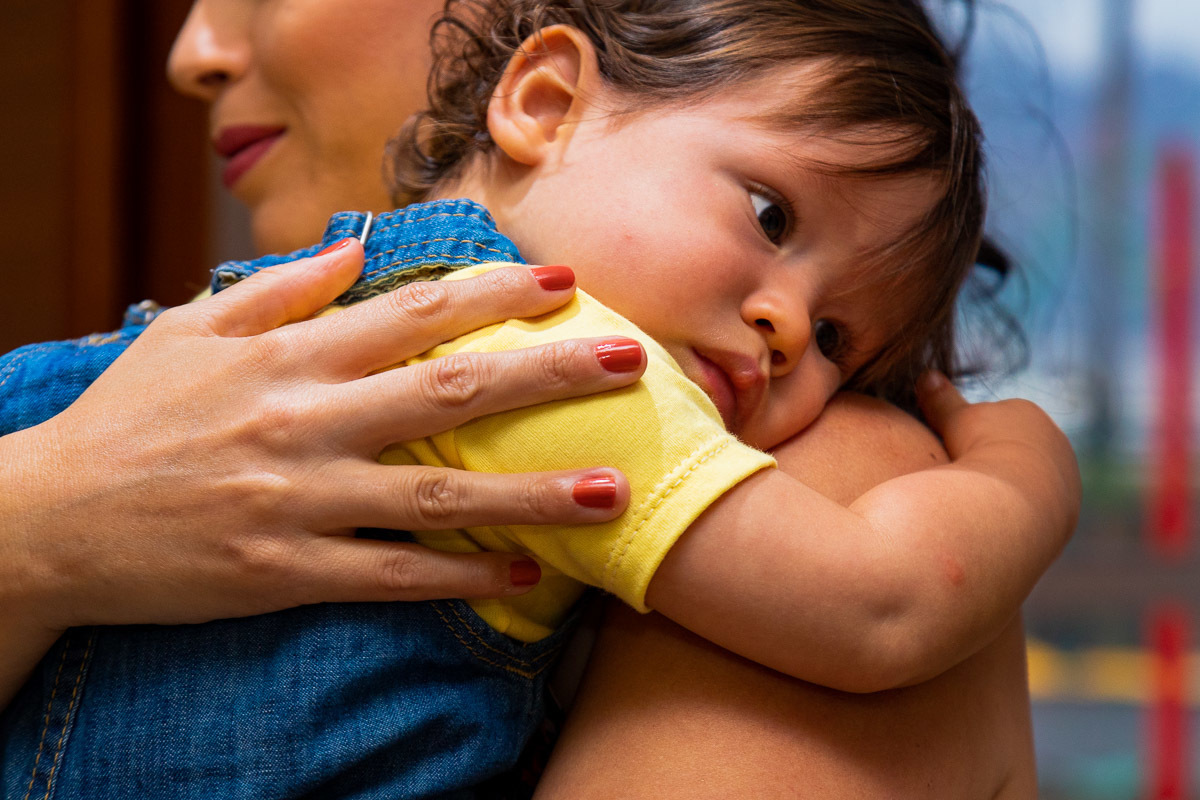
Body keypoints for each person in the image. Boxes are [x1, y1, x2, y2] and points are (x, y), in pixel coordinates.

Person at [0, 1, 1077, 796]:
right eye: (769, 214)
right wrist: (1028, 466)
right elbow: (885, 596)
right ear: (543, 98)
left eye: (839, 339)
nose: (790, 329)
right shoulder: (546, 351)